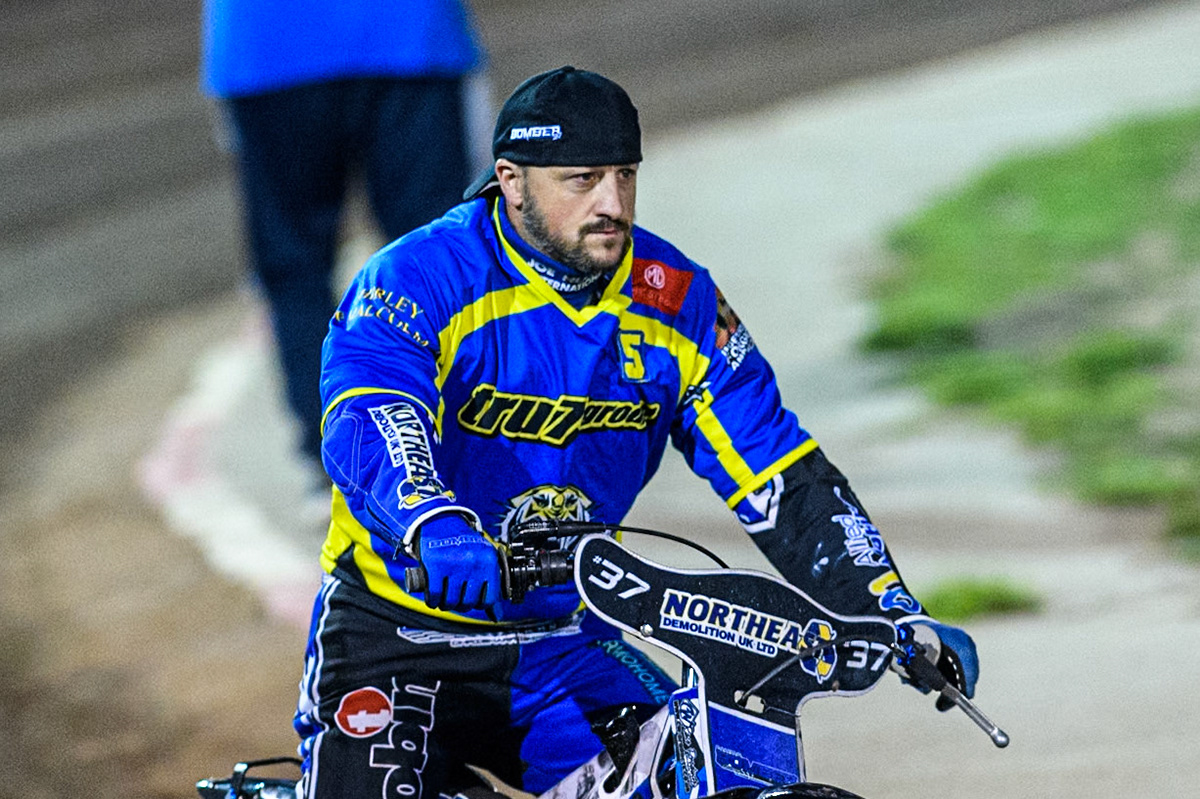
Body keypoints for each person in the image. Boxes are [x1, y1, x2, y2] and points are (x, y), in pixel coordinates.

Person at [293, 66, 980, 799]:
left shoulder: (681, 298)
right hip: (397, 638)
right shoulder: (419, 274)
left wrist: (888, 607)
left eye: (625, 175)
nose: (612, 204)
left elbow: (778, 468)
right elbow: (369, 410)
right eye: (582, 179)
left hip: (567, 645)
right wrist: (429, 519)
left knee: (713, 775)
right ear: (511, 181)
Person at [200, 0, 484, 465]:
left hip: (267, 43)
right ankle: (461, 454)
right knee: (442, 258)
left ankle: (335, 464)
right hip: (404, 33)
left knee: (296, 267)